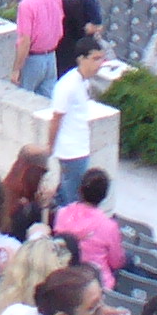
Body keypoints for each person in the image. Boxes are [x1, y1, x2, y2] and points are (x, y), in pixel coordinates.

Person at [46, 37, 107, 199]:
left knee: (65, 196)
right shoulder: (67, 85)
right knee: (72, 199)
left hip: (79, 148)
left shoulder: (83, 82)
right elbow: (56, 118)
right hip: (71, 152)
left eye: (101, 58)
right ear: (81, 59)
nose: (99, 63)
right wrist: (50, 147)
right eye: (95, 59)